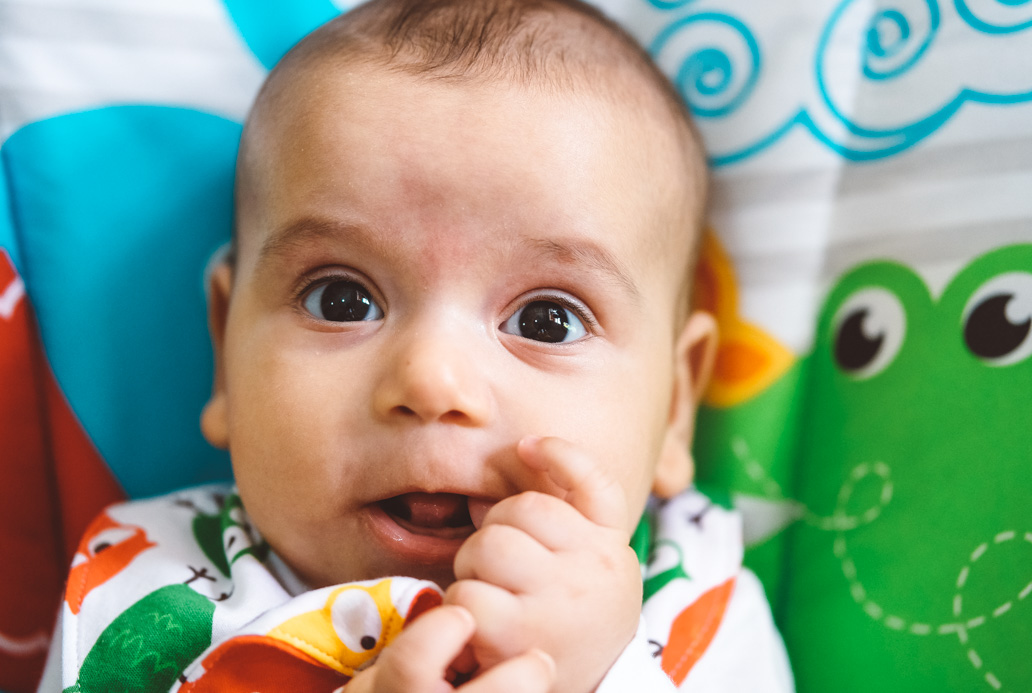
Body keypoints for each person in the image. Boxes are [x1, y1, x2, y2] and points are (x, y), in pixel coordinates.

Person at [39, 1, 793, 691]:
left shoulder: (699, 602)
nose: (432, 380)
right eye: (343, 300)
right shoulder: (154, 583)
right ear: (225, 354)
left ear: (676, 403)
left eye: (546, 321)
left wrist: (595, 671)